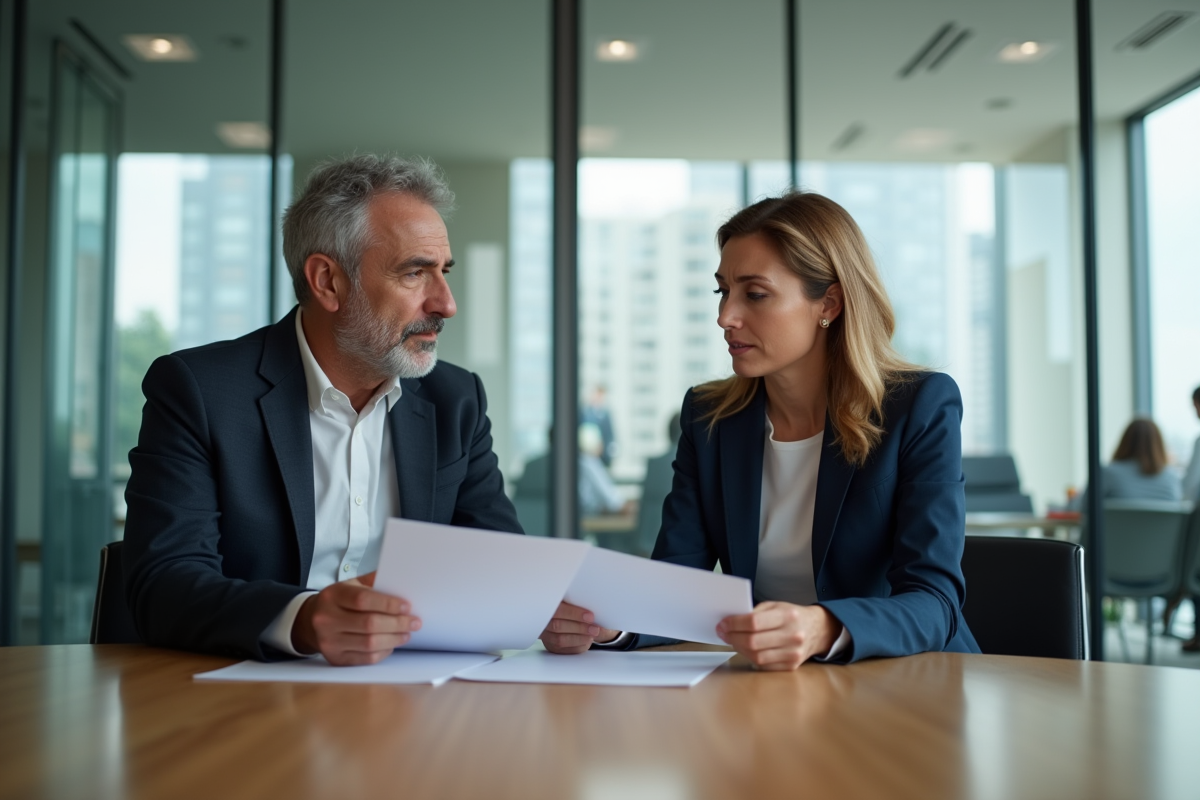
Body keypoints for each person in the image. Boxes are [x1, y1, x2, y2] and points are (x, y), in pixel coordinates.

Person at [540, 192, 981, 667]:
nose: (725, 317)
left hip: (911, 686)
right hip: (771, 690)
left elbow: (935, 602)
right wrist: (610, 624)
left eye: (755, 294)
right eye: (722, 291)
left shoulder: (918, 406)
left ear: (828, 302)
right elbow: (675, 585)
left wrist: (824, 626)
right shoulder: (710, 419)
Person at [123, 155, 523, 666]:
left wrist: (565, 612)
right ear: (328, 282)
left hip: (416, 697)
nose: (446, 304)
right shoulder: (199, 391)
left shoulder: (456, 400)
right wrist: (303, 619)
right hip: (239, 700)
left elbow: (504, 566)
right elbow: (163, 584)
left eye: (443, 272)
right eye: (414, 274)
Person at [1070, 418, 1183, 507]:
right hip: (1161, 537)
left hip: (1113, 537)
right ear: (1158, 445)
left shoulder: (1107, 473)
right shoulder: (1172, 478)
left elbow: (1082, 508)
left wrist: (1073, 500)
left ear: (1124, 442)